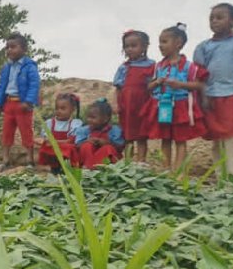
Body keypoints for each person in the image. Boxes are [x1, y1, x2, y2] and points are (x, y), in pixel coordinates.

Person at [192, 3, 233, 177]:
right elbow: (199, 74)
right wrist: (203, 95)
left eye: (220, 17)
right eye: (212, 18)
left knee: (231, 135)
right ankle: (220, 175)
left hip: (232, 94)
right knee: (216, 137)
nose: (214, 21)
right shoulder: (203, 46)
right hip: (210, 96)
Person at [148, 24, 208, 171]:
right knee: (165, 139)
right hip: (163, 106)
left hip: (181, 106)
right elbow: (148, 87)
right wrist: (157, 82)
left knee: (180, 140)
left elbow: (200, 85)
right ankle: (166, 170)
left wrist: (180, 84)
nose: (160, 46)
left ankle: (179, 172)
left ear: (178, 43)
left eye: (164, 42)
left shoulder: (190, 67)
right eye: (159, 42)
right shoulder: (158, 67)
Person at [0, 33, 41, 171]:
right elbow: (2, 86)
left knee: (26, 131)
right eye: (7, 47)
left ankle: (30, 160)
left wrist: (28, 101)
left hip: (22, 104)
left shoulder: (29, 66)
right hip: (9, 103)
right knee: (7, 132)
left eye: (13, 47)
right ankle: (6, 159)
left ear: (24, 49)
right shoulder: (7, 67)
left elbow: (34, 84)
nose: (9, 50)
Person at [113, 30, 156, 163]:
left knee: (142, 136)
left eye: (134, 45)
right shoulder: (124, 67)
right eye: (127, 46)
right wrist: (116, 104)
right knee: (128, 135)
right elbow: (118, 88)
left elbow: (153, 85)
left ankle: (141, 162)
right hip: (127, 106)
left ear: (144, 47)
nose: (130, 49)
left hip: (143, 105)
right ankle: (128, 162)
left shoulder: (152, 66)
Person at [38, 93, 83, 172]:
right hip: (54, 147)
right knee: (45, 146)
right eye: (57, 108)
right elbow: (46, 139)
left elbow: (71, 141)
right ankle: (52, 166)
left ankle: (67, 167)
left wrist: (54, 142)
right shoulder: (50, 123)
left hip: (65, 146)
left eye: (62, 108)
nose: (59, 111)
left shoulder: (75, 123)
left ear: (72, 109)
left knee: (69, 148)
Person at [75, 99, 125, 169]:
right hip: (89, 158)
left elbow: (120, 147)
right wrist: (87, 141)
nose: (89, 120)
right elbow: (77, 145)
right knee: (86, 146)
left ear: (105, 119)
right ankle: (88, 167)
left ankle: (100, 168)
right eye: (88, 117)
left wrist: (107, 143)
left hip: (105, 161)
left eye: (93, 117)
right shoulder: (84, 130)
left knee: (108, 148)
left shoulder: (114, 130)